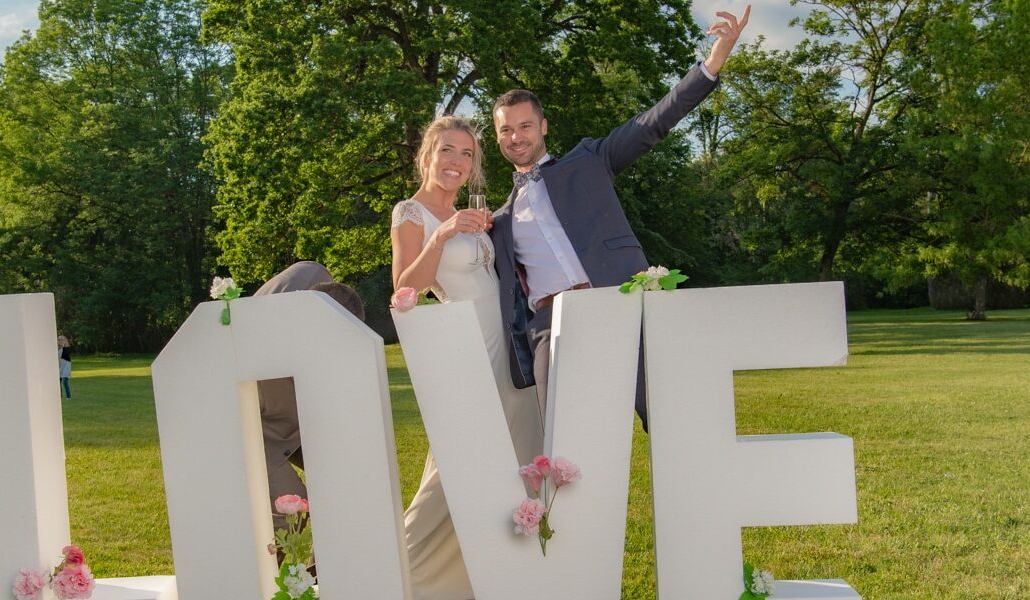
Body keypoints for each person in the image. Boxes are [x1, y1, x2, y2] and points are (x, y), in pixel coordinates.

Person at [489, 7, 751, 431]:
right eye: (506, 130)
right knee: (565, 441)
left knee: (673, 422)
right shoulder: (498, 220)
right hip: (551, 330)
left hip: (619, 303)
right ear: (497, 135)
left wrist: (713, 62)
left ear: (544, 127)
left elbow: (653, 122)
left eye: (525, 126)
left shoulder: (589, 160)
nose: (516, 137)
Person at [391, 115, 544, 600]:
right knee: (454, 470)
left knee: (519, 463)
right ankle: (398, 575)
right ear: (428, 154)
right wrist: (442, 236)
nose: (457, 162)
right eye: (447, 151)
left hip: (509, 350)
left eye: (467, 154)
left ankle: (506, 579)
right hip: (467, 350)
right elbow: (405, 290)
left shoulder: (474, 214)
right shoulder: (411, 213)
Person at [252, 261, 366, 541]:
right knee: (292, 506)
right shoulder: (263, 338)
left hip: (299, 423)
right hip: (256, 428)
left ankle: (323, 567)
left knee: (348, 481)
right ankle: (274, 579)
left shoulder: (316, 278)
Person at [57, 335, 73, 400]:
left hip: (66, 365)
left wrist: (63, 347)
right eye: (59, 340)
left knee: (65, 381)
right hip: (59, 366)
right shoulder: (56, 348)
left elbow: (65, 355)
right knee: (58, 382)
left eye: (62, 339)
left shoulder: (67, 348)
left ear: (65, 340)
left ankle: (68, 396)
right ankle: (59, 396)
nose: (61, 341)